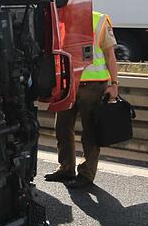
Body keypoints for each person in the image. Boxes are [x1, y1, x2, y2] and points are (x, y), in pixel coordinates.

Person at [45, 10, 120, 189]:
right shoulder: (60, 18)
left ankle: (87, 174)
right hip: (68, 83)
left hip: (93, 86)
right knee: (62, 127)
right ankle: (66, 168)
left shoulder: (99, 20)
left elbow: (110, 55)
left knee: (90, 132)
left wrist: (114, 84)